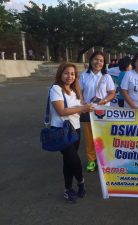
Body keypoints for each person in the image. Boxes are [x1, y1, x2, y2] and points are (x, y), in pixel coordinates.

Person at [49, 62, 94, 202]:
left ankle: (68, 189)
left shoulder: (75, 91)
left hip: (75, 129)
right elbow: (61, 111)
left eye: (73, 74)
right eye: (66, 73)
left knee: (68, 161)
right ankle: (81, 182)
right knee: (74, 161)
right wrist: (82, 108)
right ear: (60, 73)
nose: (70, 76)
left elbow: (78, 108)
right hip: (61, 131)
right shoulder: (56, 89)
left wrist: (87, 108)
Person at [79, 51, 116, 172]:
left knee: (103, 137)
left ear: (103, 63)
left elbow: (112, 93)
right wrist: (83, 102)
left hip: (103, 112)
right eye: (96, 59)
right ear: (91, 61)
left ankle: (103, 161)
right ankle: (91, 160)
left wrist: (105, 101)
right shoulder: (84, 75)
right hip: (88, 111)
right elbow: (79, 92)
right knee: (90, 138)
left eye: (101, 60)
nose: (98, 62)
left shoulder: (107, 76)